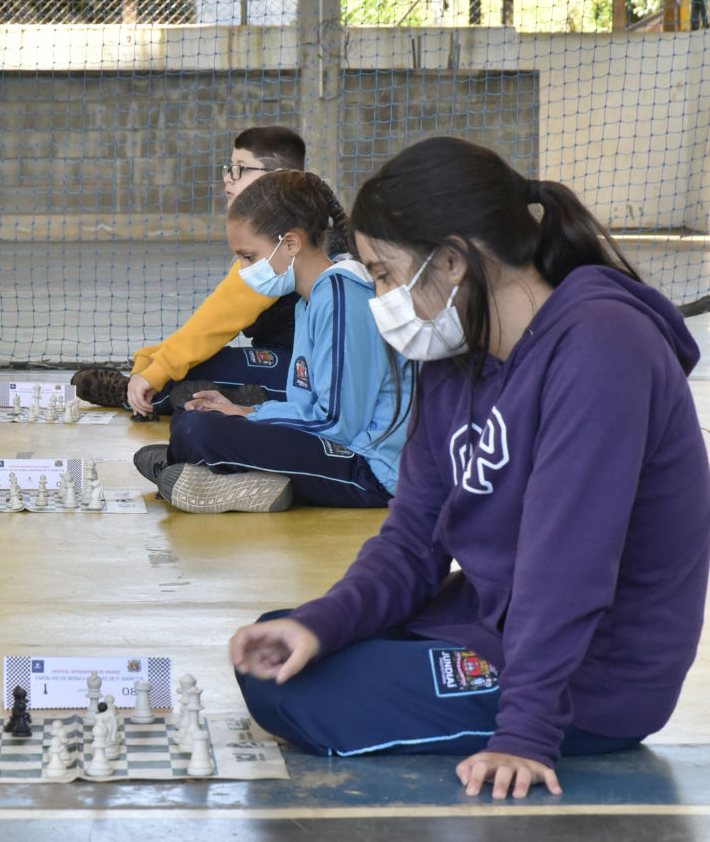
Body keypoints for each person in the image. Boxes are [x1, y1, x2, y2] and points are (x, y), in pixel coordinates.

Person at [230, 136, 710, 799]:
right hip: (498, 631)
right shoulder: (456, 359)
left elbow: (567, 563)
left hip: (594, 678)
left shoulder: (603, 346)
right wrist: (321, 621)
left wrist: (526, 731)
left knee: (311, 698)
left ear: (452, 260)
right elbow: (413, 538)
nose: (382, 298)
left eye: (385, 273)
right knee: (281, 645)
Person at [135, 169, 409, 514]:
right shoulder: (310, 299)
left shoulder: (341, 296)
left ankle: (211, 468)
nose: (244, 268)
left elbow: (338, 423)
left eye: (248, 257)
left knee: (197, 431)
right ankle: (241, 478)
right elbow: (306, 401)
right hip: (344, 444)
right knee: (194, 416)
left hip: (373, 471)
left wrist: (250, 417)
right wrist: (248, 412)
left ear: (291, 244)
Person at [73, 126, 314, 416]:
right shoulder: (267, 233)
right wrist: (150, 360)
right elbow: (207, 323)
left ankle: (132, 394)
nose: (229, 177)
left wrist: (155, 373)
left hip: (304, 372)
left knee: (170, 382)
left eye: (241, 169)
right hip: (279, 357)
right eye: (229, 168)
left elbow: (217, 323)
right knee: (185, 365)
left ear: (276, 177)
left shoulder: (285, 242)